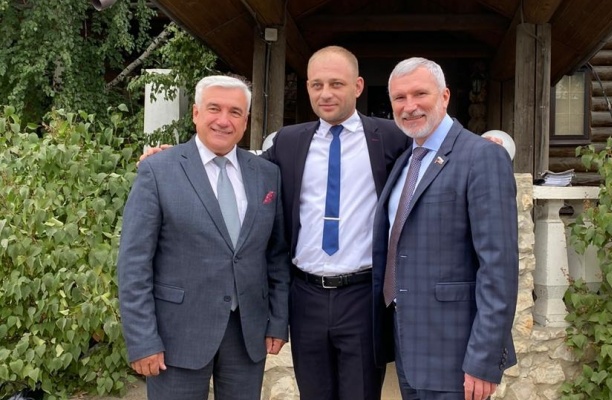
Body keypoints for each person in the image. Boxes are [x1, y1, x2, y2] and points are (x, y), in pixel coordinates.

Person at [138, 46, 411, 400]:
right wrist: (171, 159)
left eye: (336, 84)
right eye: (317, 85)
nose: (325, 94)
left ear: (358, 86)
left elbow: (428, 162)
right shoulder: (289, 142)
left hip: (361, 295)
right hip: (307, 297)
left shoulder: (391, 137)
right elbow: (234, 166)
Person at [117, 75, 290, 400]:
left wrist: (278, 321)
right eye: (214, 108)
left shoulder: (267, 174)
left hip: (247, 335)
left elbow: (276, 256)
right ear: (196, 113)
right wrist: (142, 340)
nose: (224, 120)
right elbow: (134, 265)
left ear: (245, 121)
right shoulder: (158, 170)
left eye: (235, 112)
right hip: (176, 336)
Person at [371, 57, 518, 400]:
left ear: (445, 96)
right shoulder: (405, 161)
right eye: (399, 98)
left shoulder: (481, 156)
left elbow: (498, 268)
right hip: (408, 344)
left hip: (456, 352)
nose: (409, 106)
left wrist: (484, 359)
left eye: (420, 94)